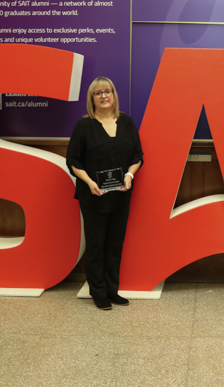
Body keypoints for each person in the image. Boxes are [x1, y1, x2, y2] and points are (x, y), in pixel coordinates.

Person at [66, 77, 143, 310]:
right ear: (92, 99)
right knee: (97, 244)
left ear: (114, 95)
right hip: (94, 196)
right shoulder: (84, 126)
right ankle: (98, 292)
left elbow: (137, 156)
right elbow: (73, 161)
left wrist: (129, 176)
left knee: (114, 245)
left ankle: (112, 290)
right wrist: (89, 182)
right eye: (98, 93)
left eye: (107, 91)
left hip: (121, 195)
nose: (103, 96)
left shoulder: (127, 123)